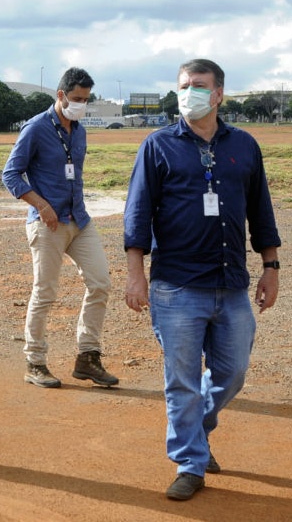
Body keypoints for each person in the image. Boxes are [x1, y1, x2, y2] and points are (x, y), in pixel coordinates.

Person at [124, 58, 280, 501]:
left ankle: (197, 430)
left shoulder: (244, 145)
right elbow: (137, 215)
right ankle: (190, 462)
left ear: (218, 95)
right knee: (182, 381)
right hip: (176, 287)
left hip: (231, 285)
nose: (187, 92)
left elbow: (261, 212)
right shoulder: (157, 146)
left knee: (232, 373)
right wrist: (136, 276)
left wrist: (271, 267)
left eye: (197, 86)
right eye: (182, 86)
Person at [2, 67, 118, 389]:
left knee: (100, 282)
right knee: (45, 292)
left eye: (86, 100)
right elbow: (11, 174)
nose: (81, 104)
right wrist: (41, 205)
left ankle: (87, 357)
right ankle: (35, 362)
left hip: (78, 221)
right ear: (61, 95)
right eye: (77, 98)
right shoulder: (36, 129)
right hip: (47, 224)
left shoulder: (79, 130)